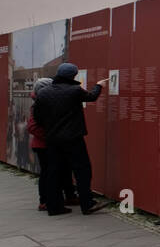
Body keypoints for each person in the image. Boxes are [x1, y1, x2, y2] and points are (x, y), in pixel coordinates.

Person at [33, 63, 109, 215]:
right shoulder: (74, 90)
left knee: (54, 172)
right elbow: (91, 97)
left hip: (53, 140)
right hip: (73, 138)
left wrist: (51, 128)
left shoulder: (44, 93)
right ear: (73, 76)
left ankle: (54, 207)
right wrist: (99, 85)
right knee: (82, 170)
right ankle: (87, 204)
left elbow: (38, 118)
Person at [26, 77, 78, 211]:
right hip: (45, 146)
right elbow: (32, 127)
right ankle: (45, 201)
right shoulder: (38, 104)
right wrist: (52, 137)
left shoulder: (44, 101)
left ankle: (68, 196)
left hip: (53, 144)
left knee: (63, 170)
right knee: (48, 174)